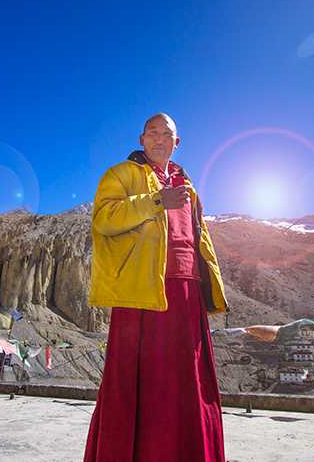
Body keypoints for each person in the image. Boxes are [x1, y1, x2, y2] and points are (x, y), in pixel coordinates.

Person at [84, 113, 228, 462]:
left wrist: (209, 285)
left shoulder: (187, 184)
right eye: (152, 133)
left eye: (166, 134)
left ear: (177, 143)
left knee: (187, 380)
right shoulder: (122, 174)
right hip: (141, 291)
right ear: (141, 139)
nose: (159, 139)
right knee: (138, 380)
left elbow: (199, 237)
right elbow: (104, 219)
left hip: (187, 290)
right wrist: (156, 200)